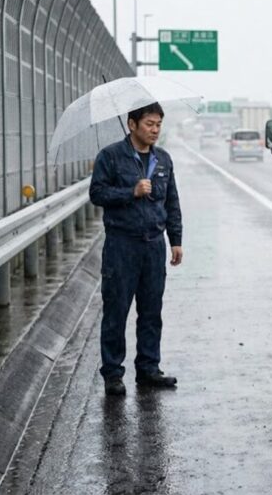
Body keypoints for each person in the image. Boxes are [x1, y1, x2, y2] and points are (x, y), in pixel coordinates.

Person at [90, 102, 183, 396]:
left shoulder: (163, 160)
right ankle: (113, 374)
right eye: (149, 124)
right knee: (116, 310)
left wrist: (176, 239)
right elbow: (97, 193)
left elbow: (172, 202)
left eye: (158, 125)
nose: (155, 130)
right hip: (122, 245)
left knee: (152, 311)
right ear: (132, 125)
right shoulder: (111, 157)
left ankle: (148, 368)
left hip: (154, 246)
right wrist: (130, 191)